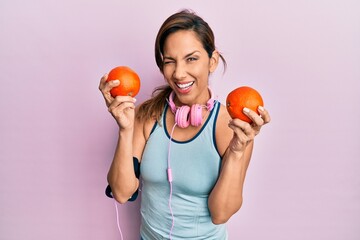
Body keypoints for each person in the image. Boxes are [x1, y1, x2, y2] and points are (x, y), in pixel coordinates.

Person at [99, 9, 270, 240]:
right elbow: (121, 192)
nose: (179, 73)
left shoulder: (233, 127)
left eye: (191, 59)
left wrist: (237, 151)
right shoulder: (146, 116)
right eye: (170, 61)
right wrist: (125, 130)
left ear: (212, 61)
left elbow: (220, 214)